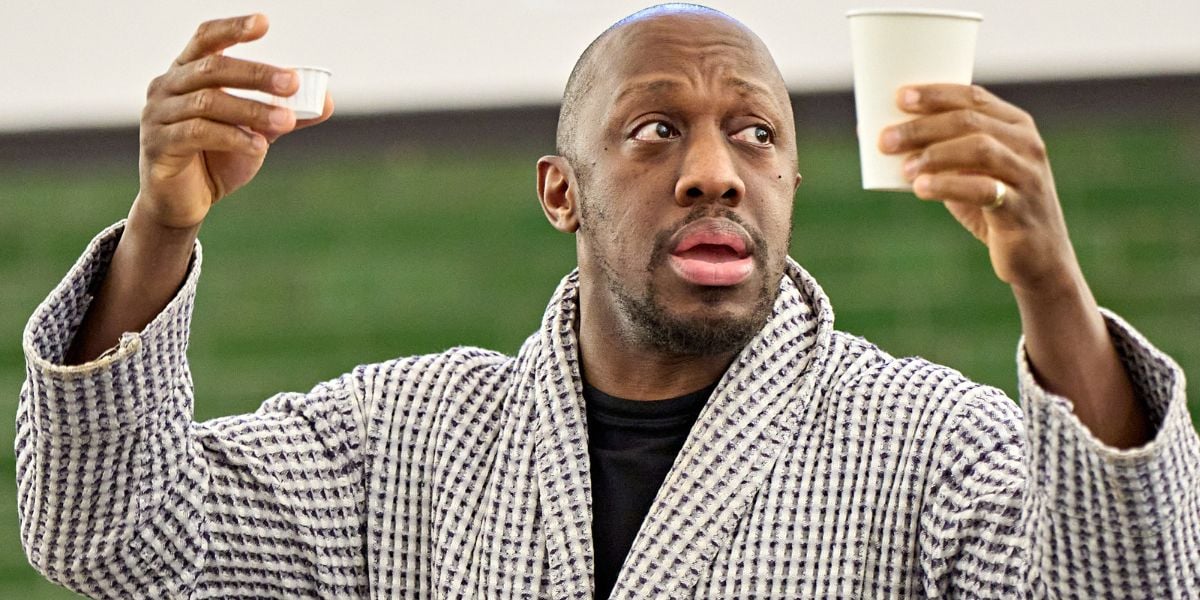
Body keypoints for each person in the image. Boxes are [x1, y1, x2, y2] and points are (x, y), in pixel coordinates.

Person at [16, 4, 1198, 599]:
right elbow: (111, 536)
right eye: (653, 131)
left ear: (791, 181)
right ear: (560, 193)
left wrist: (1051, 285)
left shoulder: (931, 442)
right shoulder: (402, 444)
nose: (713, 169)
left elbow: (1138, 586)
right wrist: (163, 223)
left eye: (754, 135)